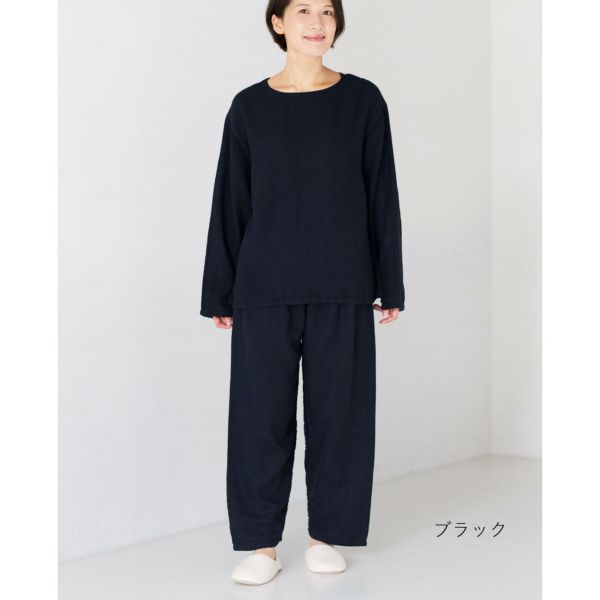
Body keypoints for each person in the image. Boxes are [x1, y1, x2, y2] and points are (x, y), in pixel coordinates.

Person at [200, 0, 405, 585]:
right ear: (278, 22)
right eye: (303, 10)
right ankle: (260, 545)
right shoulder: (249, 107)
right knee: (258, 420)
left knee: (341, 416)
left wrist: (389, 281)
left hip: (344, 283)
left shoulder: (363, 101)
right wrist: (220, 291)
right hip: (263, 287)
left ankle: (325, 536)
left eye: (328, 12)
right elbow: (231, 201)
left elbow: (381, 193)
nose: (317, 23)